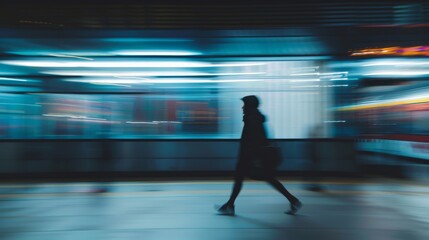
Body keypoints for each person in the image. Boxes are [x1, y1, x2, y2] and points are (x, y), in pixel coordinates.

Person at [216, 95, 302, 216]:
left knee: (261, 178)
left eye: (244, 105)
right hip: (251, 157)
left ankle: (293, 200)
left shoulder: (252, 120)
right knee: (262, 178)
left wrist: (256, 159)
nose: (242, 107)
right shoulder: (254, 118)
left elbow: (255, 140)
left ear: (250, 106)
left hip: (250, 157)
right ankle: (230, 204)